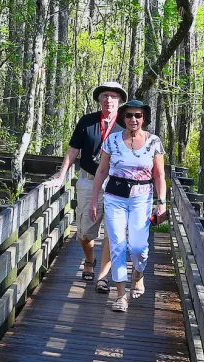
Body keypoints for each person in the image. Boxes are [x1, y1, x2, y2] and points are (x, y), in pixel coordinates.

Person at [89, 99, 167, 312]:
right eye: (129, 115)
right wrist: (94, 199)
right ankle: (121, 295)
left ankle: (139, 274)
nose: (134, 119)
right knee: (117, 245)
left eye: (138, 115)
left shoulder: (154, 142)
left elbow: (159, 174)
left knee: (138, 247)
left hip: (142, 198)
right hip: (115, 196)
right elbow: (102, 171)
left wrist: (162, 202)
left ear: (144, 118)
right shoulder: (112, 140)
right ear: (123, 118)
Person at [59, 81, 125, 294]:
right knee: (85, 232)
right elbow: (72, 151)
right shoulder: (87, 122)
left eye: (113, 96)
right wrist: (61, 177)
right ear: (99, 99)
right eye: (105, 95)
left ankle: (103, 277)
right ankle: (90, 258)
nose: (109, 100)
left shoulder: (126, 124)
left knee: (113, 232)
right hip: (88, 180)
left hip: (116, 184)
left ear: (120, 101)